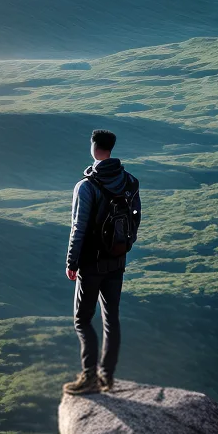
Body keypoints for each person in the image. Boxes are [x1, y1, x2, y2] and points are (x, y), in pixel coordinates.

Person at [63, 128, 141, 395]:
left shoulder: (86, 187)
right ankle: (106, 377)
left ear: (94, 148)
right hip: (117, 261)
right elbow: (135, 221)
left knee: (82, 320)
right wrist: (123, 248)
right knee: (111, 319)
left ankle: (89, 378)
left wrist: (72, 262)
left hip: (91, 264)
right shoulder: (130, 181)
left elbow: (78, 228)